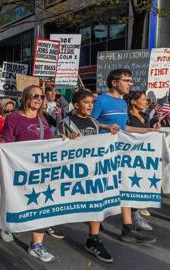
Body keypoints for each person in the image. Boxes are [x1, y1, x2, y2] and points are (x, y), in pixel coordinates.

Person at [91, 69, 156, 244]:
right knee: (101, 191)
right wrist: (105, 127)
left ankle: (128, 229)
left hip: (120, 153)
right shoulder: (101, 100)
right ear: (114, 82)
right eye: (126, 80)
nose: (130, 84)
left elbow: (124, 128)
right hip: (103, 154)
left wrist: (148, 131)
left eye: (130, 81)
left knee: (125, 186)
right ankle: (94, 229)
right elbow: (89, 122)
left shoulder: (122, 103)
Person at [0, 85, 57, 262]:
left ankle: (36, 245)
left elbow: (49, 143)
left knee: (42, 204)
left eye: (41, 96)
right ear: (25, 98)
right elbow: (7, 138)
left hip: (39, 171)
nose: (39, 99)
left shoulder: (43, 120)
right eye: (35, 96)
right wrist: (0, 145)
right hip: (19, 169)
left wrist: (64, 141)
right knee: (16, 200)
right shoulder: (14, 118)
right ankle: (7, 224)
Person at [57, 90, 116, 263]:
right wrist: (67, 139)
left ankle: (94, 239)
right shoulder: (66, 123)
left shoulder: (94, 122)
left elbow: (98, 144)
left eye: (92, 102)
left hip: (93, 171)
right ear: (76, 105)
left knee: (96, 201)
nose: (91, 105)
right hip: (73, 172)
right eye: (87, 102)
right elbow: (56, 147)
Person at [124, 91, 159, 223]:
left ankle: (136, 212)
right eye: (143, 99)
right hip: (130, 154)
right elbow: (124, 129)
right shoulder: (126, 116)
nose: (146, 102)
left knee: (139, 183)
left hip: (144, 155)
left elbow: (148, 131)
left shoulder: (145, 115)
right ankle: (134, 215)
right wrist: (147, 130)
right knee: (129, 184)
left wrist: (153, 128)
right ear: (133, 102)